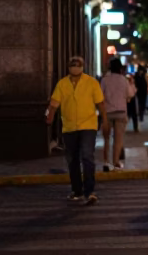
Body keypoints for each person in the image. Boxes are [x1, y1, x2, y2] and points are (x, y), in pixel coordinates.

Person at [46, 56, 108, 204]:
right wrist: (49, 116)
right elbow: (53, 104)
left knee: (87, 157)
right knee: (72, 159)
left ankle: (90, 191)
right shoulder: (62, 84)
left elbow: (100, 103)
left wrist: (105, 120)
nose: (75, 67)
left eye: (77, 64)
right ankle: (77, 191)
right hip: (69, 127)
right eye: (72, 64)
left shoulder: (91, 82)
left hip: (88, 126)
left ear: (82, 66)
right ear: (68, 67)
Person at [99, 59, 132, 172]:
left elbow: (100, 97)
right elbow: (130, 95)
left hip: (107, 113)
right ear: (120, 68)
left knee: (106, 139)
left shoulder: (104, 80)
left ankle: (106, 162)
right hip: (121, 112)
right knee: (118, 139)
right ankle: (116, 161)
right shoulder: (124, 80)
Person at [132, 67, 148, 132]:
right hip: (141, 93)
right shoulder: (141, 77)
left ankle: (141, 114)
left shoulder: (139, 77)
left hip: (141, 93)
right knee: (141, 104)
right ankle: (141, 115)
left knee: (141, 104)